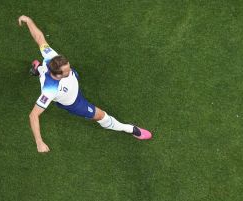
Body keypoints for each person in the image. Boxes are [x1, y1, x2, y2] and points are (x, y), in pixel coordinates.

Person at [18, 15, 152, 153]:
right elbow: (33, 115)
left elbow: (39, 38)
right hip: (74, 102)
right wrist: (39, 143)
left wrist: (28, 21)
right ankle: (129, 128)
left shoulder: (51, 57)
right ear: (58, 75)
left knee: (51, 70)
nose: (70, 71)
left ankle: (38, 68)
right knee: (101, 116)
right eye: (67, 70)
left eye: (69, 66)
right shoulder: (49, 91)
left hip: (62, 82)